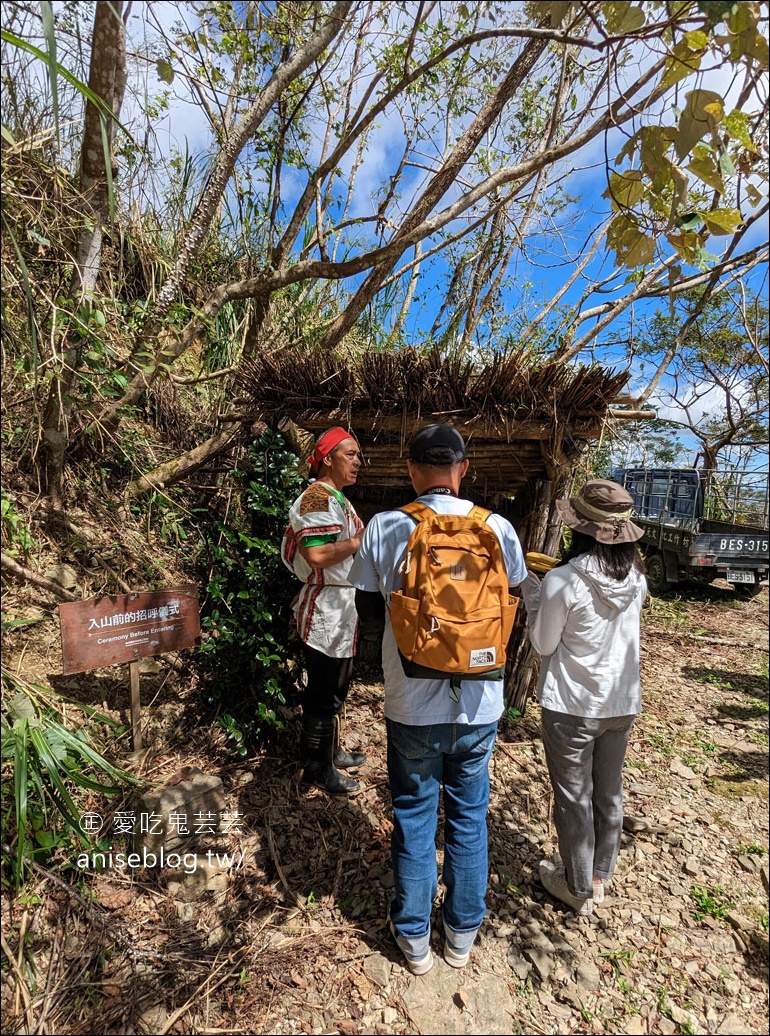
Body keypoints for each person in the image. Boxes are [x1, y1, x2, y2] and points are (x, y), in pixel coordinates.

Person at [349, 424, 526, 974]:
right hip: (480, 703)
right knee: (470, 818)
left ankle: (414, 938)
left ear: (409, 468)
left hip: (410, 700)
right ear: (464, 469)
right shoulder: (497, 528)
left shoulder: (386, 526)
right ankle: (462, 932)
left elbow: (366, 591)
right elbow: (515, 585)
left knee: (415, 814)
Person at [519, 479, 647, 916]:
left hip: (572, 705)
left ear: (580, 529)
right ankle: (598, 874)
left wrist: (532, 596)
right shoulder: (636, 576)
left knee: (573, 796)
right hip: (622, 701)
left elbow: (543, 643)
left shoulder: (561, 579)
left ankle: (576, 886)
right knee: (608, 792)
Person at [281, 426, 367, 796]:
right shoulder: (315, 498)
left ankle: (328, 750)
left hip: (341, 606)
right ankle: (317, 767)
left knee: (336, 686)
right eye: (350, 454)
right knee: (322, 692)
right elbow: (315, 554)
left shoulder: (337, 499)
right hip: (325, 607)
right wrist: (360, 542)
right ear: (328, 458)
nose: (358, 462)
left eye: (359, 456)